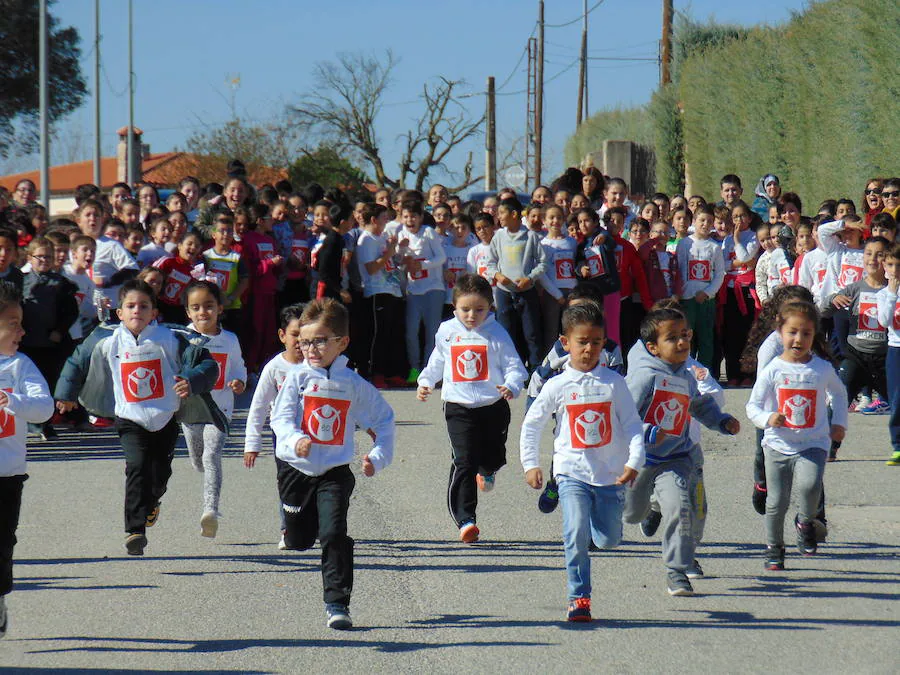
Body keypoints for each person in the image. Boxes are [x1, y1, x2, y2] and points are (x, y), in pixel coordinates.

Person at [55, 279, 221, 556]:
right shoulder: (106, 338)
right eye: (130, 306)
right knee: (137, 466)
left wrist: (191, 380)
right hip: (129, 417)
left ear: (154, 312)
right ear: (119, 313)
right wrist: (65, 393)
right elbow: (76, 361)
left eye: (144, 306)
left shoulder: (171, 338)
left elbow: (207, 363)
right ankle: (135, 531)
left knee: (159, 474)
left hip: (165, 416)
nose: (137, 311)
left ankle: (152, 501)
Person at [270, 299, 394, 630]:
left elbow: (384, 420)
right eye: (305, 341)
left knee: (334, 533)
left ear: (342, 343)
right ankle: (292, 529)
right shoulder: (296, 378)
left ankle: (337, 604)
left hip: (335, 472)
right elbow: (279, 419)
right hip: (296, 469)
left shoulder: (352, 384)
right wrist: (295, 438)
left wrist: (377, 457)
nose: (311, 349)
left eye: (320, 341)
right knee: (299, 539)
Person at [520, 302, 643, 622]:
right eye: (582, 342)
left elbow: (632, 424)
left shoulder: (613, 383)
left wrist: (633, 461)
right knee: (573, 532)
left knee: (608, 539)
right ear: (565, 343)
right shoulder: (557, 385)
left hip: (609, 475)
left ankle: (598, 525)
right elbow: (532, 424)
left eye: (596, 343)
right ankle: (579, 598)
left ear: (604, 343)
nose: (589, 350)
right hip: (570, 471)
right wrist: (530, 463)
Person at [624, 307, 740, 596]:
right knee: (631, 515)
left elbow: (698, 405)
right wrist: (649, 432)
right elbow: (623, 418)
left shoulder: (687, 374)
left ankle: (676, 571)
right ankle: (650, 505)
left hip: (676, 457)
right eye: (672, 338)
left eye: (684, 335)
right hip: (642, 459)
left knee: (681, 507)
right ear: (653, 348)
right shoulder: (643, 377)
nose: (681, 343)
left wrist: (722, 421)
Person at [417, 274, 527, 543]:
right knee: (464, 460)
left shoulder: (496, 333)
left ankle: (487, 470)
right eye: (465, 309)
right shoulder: (446, 331)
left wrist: (511, 385)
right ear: (454, 308)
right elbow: (438, 359)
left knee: (493, 457)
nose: (471, 315)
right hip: (458, 406)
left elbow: (515, 366)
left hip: (493, 404)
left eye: (479, 309)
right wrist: (426, 381)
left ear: (490, 307)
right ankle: (466, 519)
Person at [746, 301, 847, 570]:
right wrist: (767, 418)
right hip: (778, 445)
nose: (798, 339)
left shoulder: (821, 368)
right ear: (780, 332)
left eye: (806, 333)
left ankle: (805, 522)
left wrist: (838, 422)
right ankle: (774, 549)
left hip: (813, 443)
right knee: (776, 502)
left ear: (814, 336)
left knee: (810, 485)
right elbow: (752, 406)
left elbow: (838, 393)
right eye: (792, 332)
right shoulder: (773, 369)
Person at [0, 281, 54, 639]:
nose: (22, 330)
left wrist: (13, 402)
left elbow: (44, 407)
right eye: (14, 323)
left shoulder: (20, 365)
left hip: (7, 475)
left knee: (3, 542)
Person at [182, 281, 247, 538]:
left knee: (211, 457)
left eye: (209, 306)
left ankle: (211, 511)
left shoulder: (229, 340)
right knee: (198, 460)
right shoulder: (182, 336)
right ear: (188, 312)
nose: (202, 313)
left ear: (220, 308)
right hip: (190, 409)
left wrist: (239, 382)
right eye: (195, 308)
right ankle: (204, 472)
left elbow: (239, 367)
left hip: (219, 409)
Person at [244, 303, 305, 548]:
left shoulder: (319, 366)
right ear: (282, 336)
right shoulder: (274, 368)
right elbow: (258, 407)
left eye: (307, 336)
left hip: (314, 433)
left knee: (315, 478)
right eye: (295, 335)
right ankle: (287, 528)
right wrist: (252, 443)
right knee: (288, 480)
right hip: (282, 434)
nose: (301, 342)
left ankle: (315, 523)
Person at [823, 237, 890, 418]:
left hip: (885, 358)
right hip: (856, 356)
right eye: (869, 254)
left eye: (879, 255)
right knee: (838, 403)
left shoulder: (894, 290)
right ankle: (827, 445)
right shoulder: (854, 289)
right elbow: (823, 311)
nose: (873, 259)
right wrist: (832, 299)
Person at [20, 237, 79, 440]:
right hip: (26, 343)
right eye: (40, 256)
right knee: (27, 384)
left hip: (51, 344)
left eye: (48, 256)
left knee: (48, 384)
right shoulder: (21, 281)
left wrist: (60, 331)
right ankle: (28, 422)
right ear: (30, 258)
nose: (44, 260)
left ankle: (45, 423)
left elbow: (71, 312)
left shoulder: (62, 283)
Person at [355, 203, 406, 388]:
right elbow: (371, 268)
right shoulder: (366, 239)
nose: (387, 222)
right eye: (384, 218)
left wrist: (396, 249)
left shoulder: (383, 237)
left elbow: (392, 260)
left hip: (392, 288)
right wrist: (389, 252)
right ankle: (376, 373)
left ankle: (391, 372)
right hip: (377, 291)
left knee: (393, 333)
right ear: (374, 220)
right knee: (379, 335)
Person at [398, 199, 446, 383]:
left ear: (420, 217)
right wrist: (401, 251)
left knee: (432, 333)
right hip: (413, 290)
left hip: (433, 288)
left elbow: (441, 257)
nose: (410, 220)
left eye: (413, 216)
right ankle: (415, 368)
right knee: (411, 332)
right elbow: (399, 263)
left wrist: (422, 265)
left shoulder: (429, 233)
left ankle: (429, 370)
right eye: (406, 217)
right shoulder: (400, 234)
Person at [676, 205, 725, 370]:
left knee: (705, 338)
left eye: (709, 221)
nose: (705, 224)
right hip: (686, 299)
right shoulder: (684, 243)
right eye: (702, 220)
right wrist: (681, 293)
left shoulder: (715, 247)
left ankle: (705, 373)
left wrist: (707, 292)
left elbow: (719, 274)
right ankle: (686, 371)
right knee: (686, 336)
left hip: (706, 300)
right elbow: (680, 269)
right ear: (694, 222)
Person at [720, 202, 760, 385]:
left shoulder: (753, 237)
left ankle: (748, 374)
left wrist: (737, 240)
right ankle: (733, 374)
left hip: (746, 290)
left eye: (742, 216)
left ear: (749, 218)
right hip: (729, 289)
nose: (739, 220)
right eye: (735, 217)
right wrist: (736, 263)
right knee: (731, 334)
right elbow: (723, 265)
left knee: (747, 333)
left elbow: (746, 258)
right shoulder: (726, 240)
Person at [201, 214, 249, 335]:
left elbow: (244, 280)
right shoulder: (206, 256)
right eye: (222, 231)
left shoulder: (236, 257)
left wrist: (231, 298)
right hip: (210, 307)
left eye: (229, 231)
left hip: (231, 307)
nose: (226, 234)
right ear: (213, 234)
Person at [877, 242, 900, 465]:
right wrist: (892, 294)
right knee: (897, 398)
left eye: (898, 265)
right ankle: (898, 445)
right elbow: (884, 320)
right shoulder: (884, 294)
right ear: (884, 266)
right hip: (895, 349)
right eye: (890, 265)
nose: (894, 271)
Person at [154, 232, 203, 324]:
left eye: (197, 246)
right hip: (158, 303)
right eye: (189, 244)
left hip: (176, 310)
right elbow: (149, 277)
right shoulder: (167, 262)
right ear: (180, 246)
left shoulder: (195, 272)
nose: (193, 247)